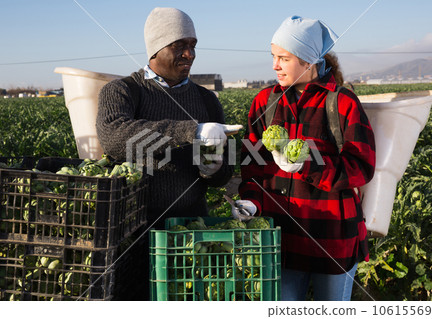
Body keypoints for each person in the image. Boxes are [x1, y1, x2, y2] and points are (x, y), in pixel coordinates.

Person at [236, 16, 376, 301]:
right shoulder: (265, 102)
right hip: (282, 238)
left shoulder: (341, 102)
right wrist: (251, 199)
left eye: (284, 58)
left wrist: (307, 165)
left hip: (331, 238)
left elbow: (361, 167)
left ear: (308, 61)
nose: (275, 65)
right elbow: (253, 165)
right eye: (273, 57)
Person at [96, 7, 240, 228]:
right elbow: (114, 138)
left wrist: (215, 169)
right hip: (132, 228)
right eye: (179, 45)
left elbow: (225, 173)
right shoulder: (122, 90)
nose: (189, 54)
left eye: (192, 45)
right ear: (155, 49)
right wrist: (192, 131)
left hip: (193, 226)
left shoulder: (207, 99)